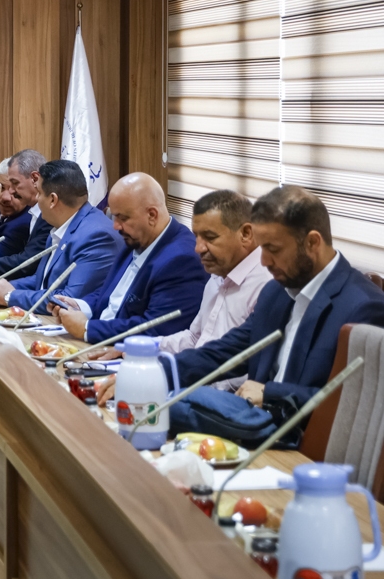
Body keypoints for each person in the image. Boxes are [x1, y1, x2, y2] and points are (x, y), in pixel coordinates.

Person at [170, 186, 384, 408]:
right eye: (262, 249)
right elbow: (223, 353)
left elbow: (358, 404)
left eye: (273, 249)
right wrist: (158, 372)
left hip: (298, 429)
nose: (264, 261)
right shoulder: (275, 292)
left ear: (312, 243)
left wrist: (272, 393)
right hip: (252, 420)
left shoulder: (365, 308)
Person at [94, 190, 272, 400]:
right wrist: (142, 349)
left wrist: (158, 378)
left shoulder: (268, 286)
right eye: (197, 236)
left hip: (222, 399)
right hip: (191, 384)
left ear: (246, 234)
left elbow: (241, 367)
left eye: (210, 238)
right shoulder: (218, 273)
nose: (198, 248)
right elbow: (194, 338)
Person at [48, 172, 207, 342]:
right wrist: (79, 306)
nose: (116, 226)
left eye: (123, 218)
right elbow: (110, 294)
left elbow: (156, 329)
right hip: (100, 342)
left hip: (125, 351)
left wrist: (87, 328)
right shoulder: (136, 237)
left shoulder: (182, 260)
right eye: (114, 216)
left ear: (152, 215)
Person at [0, 159, 122, 311]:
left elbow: (69, 300)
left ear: (52, 200)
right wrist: (5, 286)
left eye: (39, 193)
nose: (36, 200)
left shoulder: (97, 236)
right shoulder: (60, 227)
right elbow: (42, 280)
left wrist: (10, 295)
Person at [0, 149, 53, 283]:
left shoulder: (29, 220)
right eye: (2, 187)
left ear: (35, 179)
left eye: (14, 183)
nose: (10, 193)